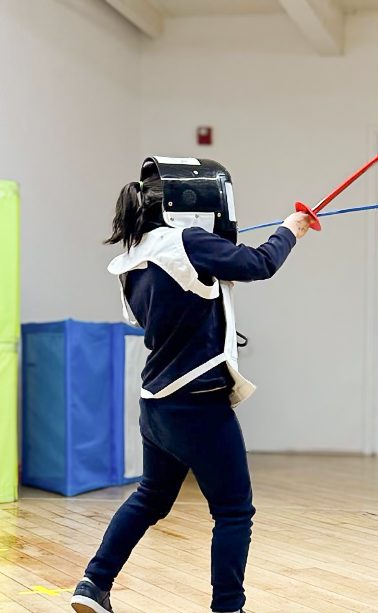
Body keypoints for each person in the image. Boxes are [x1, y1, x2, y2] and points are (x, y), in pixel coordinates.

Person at [70, 157, 311, 613]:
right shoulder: (187, 241)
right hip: (198, 402)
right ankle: (228, 607)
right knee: (234, 510)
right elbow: (259, 263)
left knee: (150, 497)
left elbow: (161, 307)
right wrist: (289, 229)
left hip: (155, 405)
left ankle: (93, 584)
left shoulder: (133, 259)